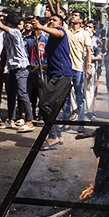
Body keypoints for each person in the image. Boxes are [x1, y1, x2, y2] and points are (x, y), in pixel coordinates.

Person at [0, 0, 35, 132]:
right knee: (11, 93)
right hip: (11, 67)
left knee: (22, 93)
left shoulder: (15, 32)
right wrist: (1, 65)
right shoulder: (5, 34)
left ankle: (29, 121)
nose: (2, 21)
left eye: (5, 20)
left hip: (21, 67)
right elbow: (5, 50)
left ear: (10, 23)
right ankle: (10, 119)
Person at [32, 15, 72, 148]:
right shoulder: (51, 39)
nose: (50, 22)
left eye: (54, 20)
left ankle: (53, 135)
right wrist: (39, 67)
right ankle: (58, 135)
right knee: (52, 106)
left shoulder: (60, 32)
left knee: (44, 104)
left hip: (61, 75)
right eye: (49, 20)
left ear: (60, 24)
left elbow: (59, 32)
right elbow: (53, 63)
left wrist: (41, 27)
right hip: (56, 74)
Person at [65, 10, 92, 131]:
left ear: (81, 20)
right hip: (66, 68)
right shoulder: (67, 30)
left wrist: (89, 66)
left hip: (78, 68)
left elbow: (89, 51)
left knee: (79, 96)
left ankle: (81, 123)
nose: (73, 17)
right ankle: (65, 122)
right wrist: (56, 2)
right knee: (65, 97)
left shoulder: (85, 34)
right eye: (73, 15)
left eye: (76, 16)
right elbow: (59, 15)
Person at [84, 20, 102, 119]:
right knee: (75, 89)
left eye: (90, 27)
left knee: (89, 88)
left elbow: (100, 56)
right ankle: (76, 111)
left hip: (90, 66)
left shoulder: (96, 40)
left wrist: (89, 58)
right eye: (86, 26)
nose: (87, 29)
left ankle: (89, 112)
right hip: (79, 65)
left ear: (94, 30)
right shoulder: (81, 37)